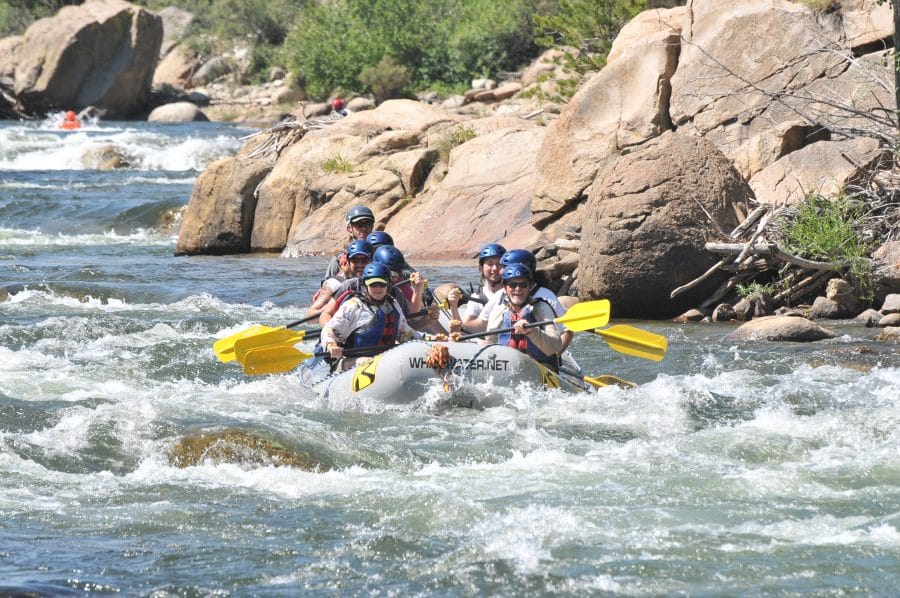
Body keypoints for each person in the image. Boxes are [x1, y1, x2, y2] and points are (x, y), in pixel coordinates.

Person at [320, 262, 442, 372]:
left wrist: (435, 339)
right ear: (365, 285)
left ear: (388, 285)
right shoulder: (353, 306)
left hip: (384, 362)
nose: (377, 289)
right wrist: (331, 344)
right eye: (373, 285)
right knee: (368, 362)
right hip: (350, 362)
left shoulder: (393, 304)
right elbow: (328, 329)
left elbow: (408, 335)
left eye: (382, 285)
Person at [482, 263, 564, 371]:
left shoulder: (541, 308)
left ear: (530, 286)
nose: (518, 289)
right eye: (512, 285)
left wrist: (532, 330)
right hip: (508, 369)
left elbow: (555, 346)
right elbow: (489, 344)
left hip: (541, 368)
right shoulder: (498, 311)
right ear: (505, 288)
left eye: (523, 284)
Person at [445, 243, 505, 331]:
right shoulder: (476, 297)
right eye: (490, 264)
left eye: (499, 264)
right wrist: (453, 306)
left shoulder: (516, 292)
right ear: (482, 267)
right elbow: (464, 330)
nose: (495, 268)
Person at [307, 239, 373, 318]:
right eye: (355, 260)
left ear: (371, 261)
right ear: (348, 261)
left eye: (365, 260)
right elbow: (309, 315)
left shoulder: (379, 283)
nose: (360, 264)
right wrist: (329, 309)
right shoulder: (334, 284)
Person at [323, 205, 375, 280]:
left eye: (368, 224)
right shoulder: (338, 261)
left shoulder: (381, 255)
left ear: (372, 226)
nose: (363, 228)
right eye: (359, 224)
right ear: (349, 228)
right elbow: (326, 288)